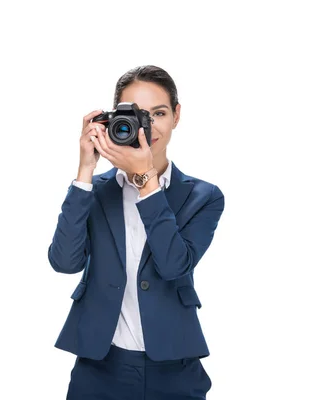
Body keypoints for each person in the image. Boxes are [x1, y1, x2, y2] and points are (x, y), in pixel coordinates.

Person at [47, 65, 225, 399]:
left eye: (157, 113)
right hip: (100, 366)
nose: (146, 126)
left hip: (174, 367)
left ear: (176, 115)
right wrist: (86, 168)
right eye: (136, 116)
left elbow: (174, 266)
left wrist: (146, 182)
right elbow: (64, 262)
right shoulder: (95, 192)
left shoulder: (204, 196)